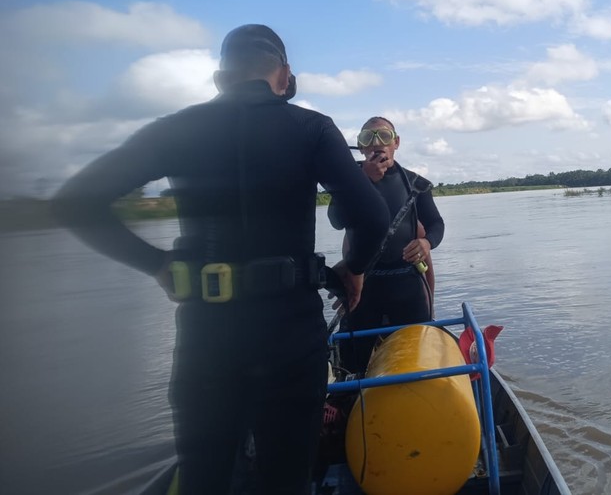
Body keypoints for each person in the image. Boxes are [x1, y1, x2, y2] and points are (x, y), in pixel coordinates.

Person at [52, 24, 390, 495]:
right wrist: (351, 270)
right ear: (285, 76)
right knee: (285, 480)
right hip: (289, 335)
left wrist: (155, 263)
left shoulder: (174, 129)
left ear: (219, 78)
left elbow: (75, 202)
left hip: (205, 338)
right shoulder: (310, 127)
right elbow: (373, 218)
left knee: (205, 479)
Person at [328, 116, 445, 376]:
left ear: (396, 143)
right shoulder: (349, 180)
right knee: (350, 367)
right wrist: (363, 181)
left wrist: (427, 242)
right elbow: (336, 220)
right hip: (362, 287)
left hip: (407, 285)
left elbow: (437, 224)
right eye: (368, 139)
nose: (377, 144)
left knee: (418, 364)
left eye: (384, 136)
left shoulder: (416, 184)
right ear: (360, 147)